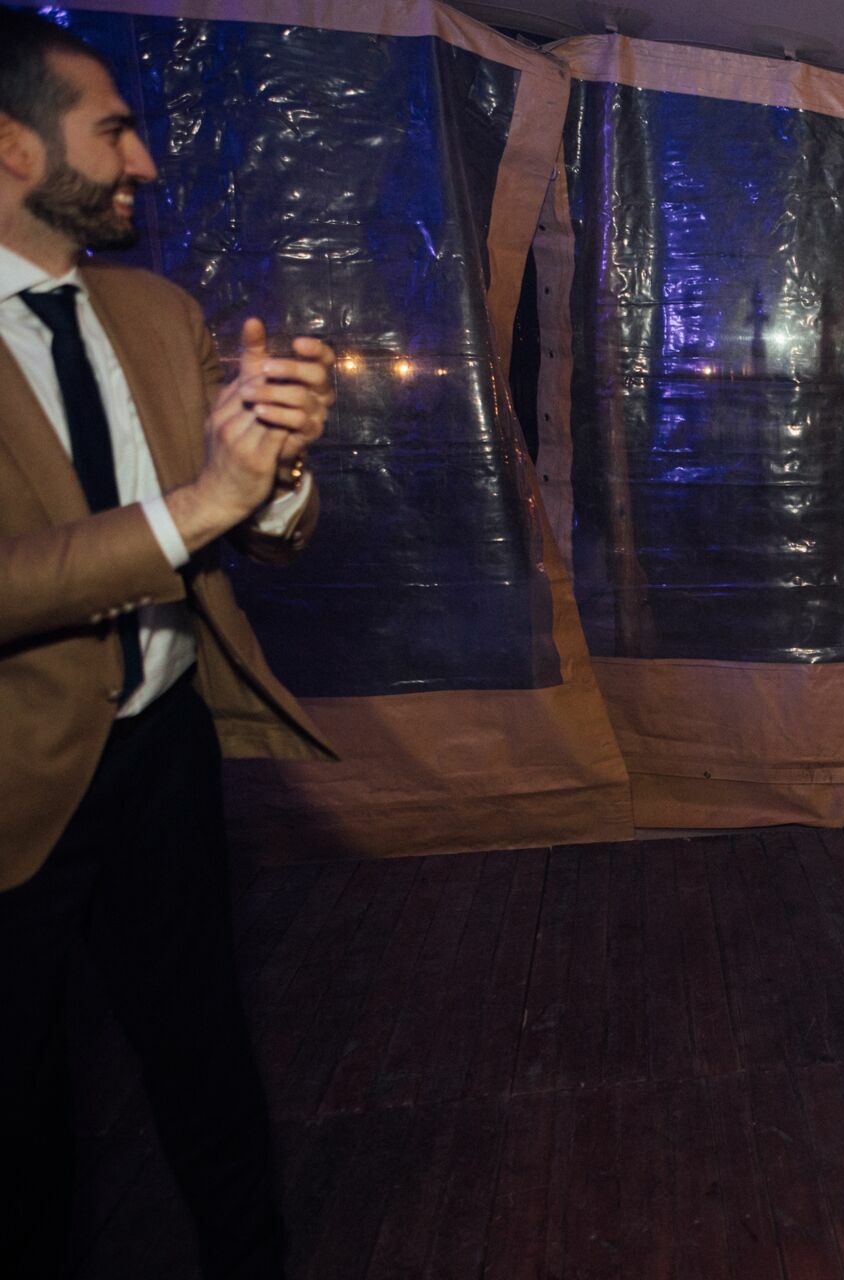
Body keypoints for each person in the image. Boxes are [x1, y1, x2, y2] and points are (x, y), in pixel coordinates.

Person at [0, 12, 336, 1277]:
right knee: (23, 1114)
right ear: (12, 146)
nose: (142, 163)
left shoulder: (151, 308)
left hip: (165, 755)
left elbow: (267, 521)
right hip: (14, 779)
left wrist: (276, 466)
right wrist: (201, 502)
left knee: (205, 1054)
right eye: (114, 130)